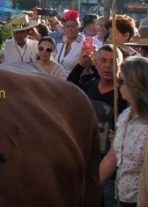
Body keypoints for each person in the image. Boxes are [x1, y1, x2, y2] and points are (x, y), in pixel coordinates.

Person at [69, 44, 127, 206]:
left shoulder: (125, 93)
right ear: (95, 62)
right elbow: (70, 87)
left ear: (120, 65)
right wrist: (81, 64)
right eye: (103, 60)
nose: (108, 66)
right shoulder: (89, 85)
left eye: (113, 61)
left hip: (111, 165)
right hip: (87, 158)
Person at [100, 57, 148, 207]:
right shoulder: (125, 116)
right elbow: (112, 158)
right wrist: (90, 187)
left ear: (136, 85)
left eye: (121, 81)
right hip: (121, 197)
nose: (117, 85)